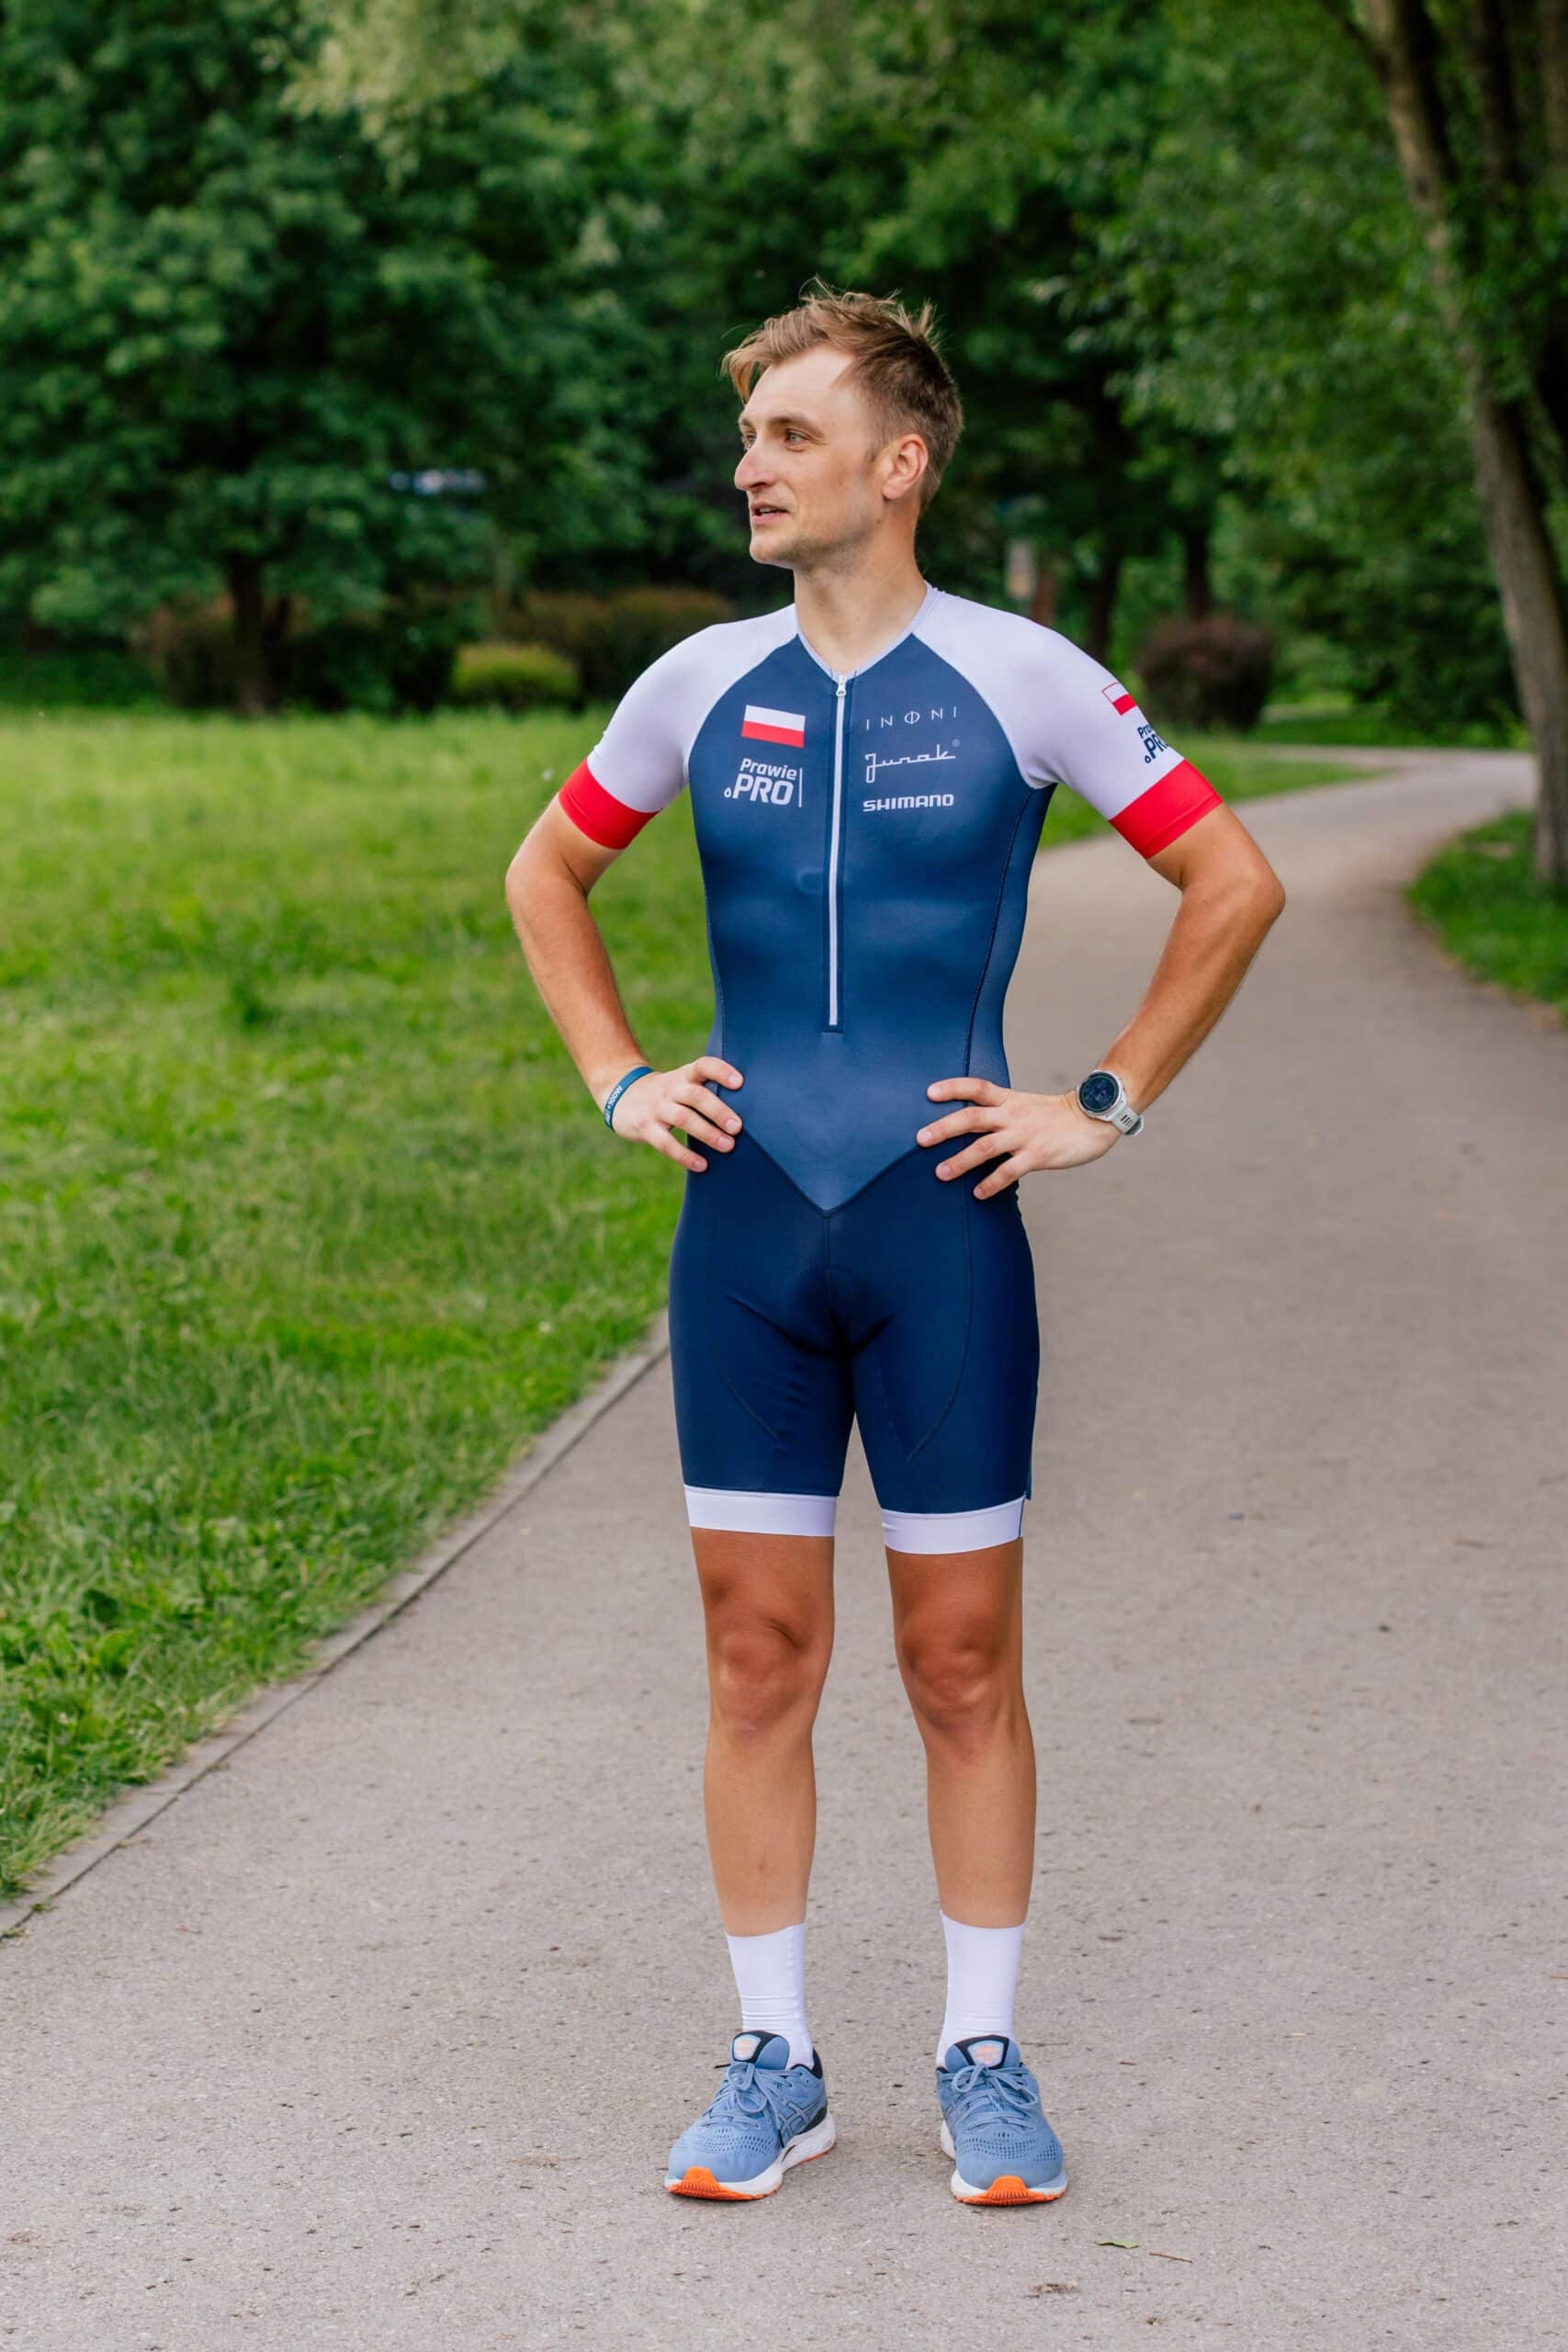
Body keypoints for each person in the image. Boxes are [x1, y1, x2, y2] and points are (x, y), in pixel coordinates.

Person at [505, 284, 1284, 2207]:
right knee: (753, 1652)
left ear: (901, 460)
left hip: (943, 1237)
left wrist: (1098, 1101)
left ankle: (981, 2054)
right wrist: (617, 1075)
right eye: (749, 434)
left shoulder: (1026, 674)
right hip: (747, 1228)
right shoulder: (697, 683)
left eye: (790, 433)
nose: (750, 466)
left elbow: (1230, 877)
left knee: (958, 1660)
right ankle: (772, 2058)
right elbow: (549, 869)